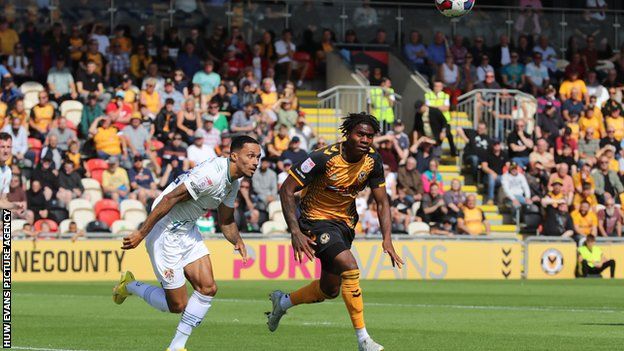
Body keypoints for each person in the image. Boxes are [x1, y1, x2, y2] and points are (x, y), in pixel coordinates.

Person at [268, 113, 402, 351]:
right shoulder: (322, 158)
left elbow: (382, 202)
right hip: (315, 220)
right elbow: (286, 189)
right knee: (349, 265)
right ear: (348, 134)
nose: (365, 139)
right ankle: (363, 340)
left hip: (345, 224)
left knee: (329, 290)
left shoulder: (373, 160)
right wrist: (296, 231)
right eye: (360, 134)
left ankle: (283, 302)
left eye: (369, 136)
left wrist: (387, 239)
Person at [114, 136, 261, 351]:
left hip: (187, 230)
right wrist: (142, 233)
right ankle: (129, 286)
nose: (256, 162)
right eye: (251, 156)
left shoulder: (233, 183)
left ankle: (176, 347)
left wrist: (237, 240)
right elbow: (170, 199)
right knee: (178, 305)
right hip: (164, 231)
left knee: (208, 288)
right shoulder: (211, 175)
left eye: (258, 157)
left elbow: (226, 220)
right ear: (234, 156)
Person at [0, 133, 23, 212]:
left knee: (7, 216)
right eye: (2, 147)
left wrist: (15, 206)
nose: (6, 151)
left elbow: (3, 201)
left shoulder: (8, 172)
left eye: (8, 147)